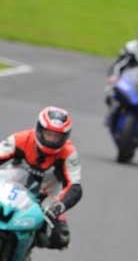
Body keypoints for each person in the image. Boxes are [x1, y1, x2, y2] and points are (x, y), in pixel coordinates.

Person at [0, 107, 82, 252]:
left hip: (47, 196)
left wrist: (58, 208)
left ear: (65, 137)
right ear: (39, 129)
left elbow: (74, 187)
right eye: (48, 134)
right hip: (11, 185)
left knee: (61, 238)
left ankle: (27, 245)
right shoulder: (20, 139)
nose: (51, 139)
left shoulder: (69, 153)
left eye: (57, 137)